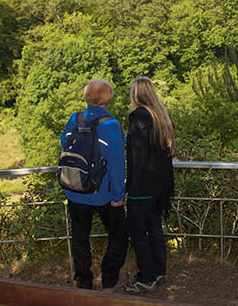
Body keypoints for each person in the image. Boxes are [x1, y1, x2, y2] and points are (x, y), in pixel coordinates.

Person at [61, 79, 127, 290]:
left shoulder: (75, 119)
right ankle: (109, 278)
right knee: (119, 234)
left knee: (80, 237)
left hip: (75, 190)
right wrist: (118, 195)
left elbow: (65, 145)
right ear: (107, 98)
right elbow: (116, 162)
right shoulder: (111, 125)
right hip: (103, 193)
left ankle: (84, 281)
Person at [123, 76, 175, 293]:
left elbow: (136, 156)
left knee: (138, 233)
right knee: (155, 230)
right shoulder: (163, 116)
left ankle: (147, 276)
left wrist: (129, 188)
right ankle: (159, 270)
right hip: (160, 187)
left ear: (136, 94)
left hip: (142, 186)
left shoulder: (137, 117)